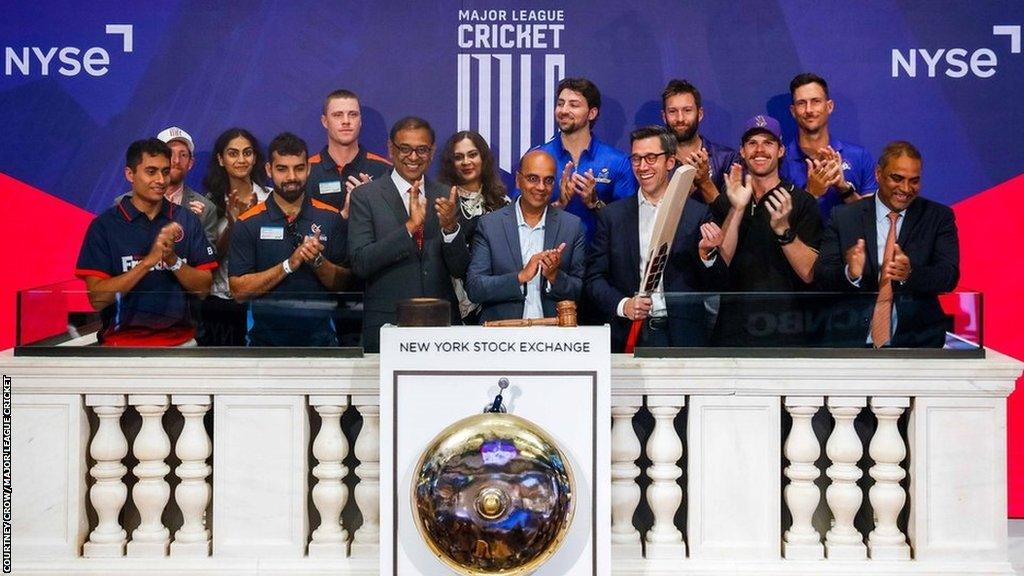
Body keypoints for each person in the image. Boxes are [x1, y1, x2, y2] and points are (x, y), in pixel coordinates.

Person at [586, 126, 726, 351]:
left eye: (651, 158)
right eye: (636, 159)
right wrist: (624, 305)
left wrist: (706, 256)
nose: (642, 167)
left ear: (670, 162)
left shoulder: (696, 214)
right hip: (629, 335)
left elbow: (715, 283)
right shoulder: (612, 217)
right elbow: (594, 279)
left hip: (684, 337)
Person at [814, 141, 959, 348]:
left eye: (914, 181)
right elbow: (822, 275)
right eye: (897, 178)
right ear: (878, 174)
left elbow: (949, 276)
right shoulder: (845, 217)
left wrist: (910, 274)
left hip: (918, 343)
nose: (906, 189)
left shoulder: (938, 217)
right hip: (850, 341)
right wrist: (850, 273)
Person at [75, 138, 216, 346]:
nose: (161, 180)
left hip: (181, 344)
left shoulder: (187, 220)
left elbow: (203, 289)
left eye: (165, 172)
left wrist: (172, 259)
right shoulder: (104, 226)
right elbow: (97, 299)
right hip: (121, 346)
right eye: (151, 171)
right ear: (129, 174)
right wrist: (148, 262)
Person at [348, 117, 470, 352]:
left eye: (421, 150)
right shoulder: (366, 197)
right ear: (390, 149)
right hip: (388, 325)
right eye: (405, 149)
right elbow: (361, 262)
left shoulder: (446, 195)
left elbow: (461, 269)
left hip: (442, 327)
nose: (413, 157)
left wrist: (450, 229)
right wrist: (409, 228)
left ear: (432, 152)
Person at [228, 132, 351, 346]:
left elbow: (346, 284)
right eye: (282, 169)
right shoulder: (248, 223)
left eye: (299, 168)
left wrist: (318, 262)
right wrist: (289, 265)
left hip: (322, 344)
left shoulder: (331, 218)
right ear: (269, 170)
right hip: (264, 344)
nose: (291, 177)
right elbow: (238, 291)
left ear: (309, 169)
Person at [711, 115, 822, 346]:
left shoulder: (801, 201)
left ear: (781, 150)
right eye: (752, 143)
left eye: (768, 142)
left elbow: (810, 273)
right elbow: (719, 267)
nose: (759, 149)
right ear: (742, 151)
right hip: (734, 329)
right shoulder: (726, 202)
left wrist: (784, 230)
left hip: (787, 328)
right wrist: (737, 209)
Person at [466, 150, 585, 322]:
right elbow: (475, 288)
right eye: (533, 178)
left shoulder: (572, 226)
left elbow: (579, 290)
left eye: (548, 180)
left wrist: (554, 276)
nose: (541, 187)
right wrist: (521, 277)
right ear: (518, 180)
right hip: (502, 335)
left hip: (556, 336)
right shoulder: (490, 225)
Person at [196, 128, 270, 346]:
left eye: (247, 153)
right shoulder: (209, 204)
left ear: (255, 157)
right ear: (220, 159)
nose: (241, 160)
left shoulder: (271, 199)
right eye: (232, 153)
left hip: (263, 300)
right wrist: (231, 225)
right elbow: (208, 263)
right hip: (221, 305)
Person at [535, 77, 636, 239]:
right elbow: (518, 218)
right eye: (560, 103)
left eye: (573, 105)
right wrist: (557, 206)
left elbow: (629, 222)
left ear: (592, 113)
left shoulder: (618, 161)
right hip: (549, 259)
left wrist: (595, 203)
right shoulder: (537, 158)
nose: (563, 110)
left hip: (600, 260)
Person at [781, 73, 878, 222]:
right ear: (793, 112)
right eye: (801, 103)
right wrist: (811, 194)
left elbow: (873, 221)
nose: (809, 110)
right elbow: (777, 227)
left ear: (829, 106)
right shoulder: (780, 162)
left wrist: (844, 188)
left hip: (850, 245)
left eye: (816, 101)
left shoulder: (859, 157)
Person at [438, 130, 510, 324]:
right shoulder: (442, 204)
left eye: (472, 154)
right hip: (449, 305)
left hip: (494, 306)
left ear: (483, 158)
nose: (466, 162)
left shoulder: (504, 204)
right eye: (458, 157)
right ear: (450, 164)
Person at [306, 89, 392, 217]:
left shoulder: (384, 170)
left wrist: (374, 201)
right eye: (338, 115)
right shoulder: (306, 170)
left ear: (360, 121)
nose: (346, 121)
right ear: (325, 121)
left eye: (353, 114)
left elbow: (394, 228)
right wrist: (343, 215)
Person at [660, 79, 739, 204]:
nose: (680, 118)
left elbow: (730, 215)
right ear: (664, 117)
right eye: (673, 111)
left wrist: (705, 182)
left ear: (700, 114)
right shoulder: (657, 160)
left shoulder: (726, 158)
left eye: (687, 110)